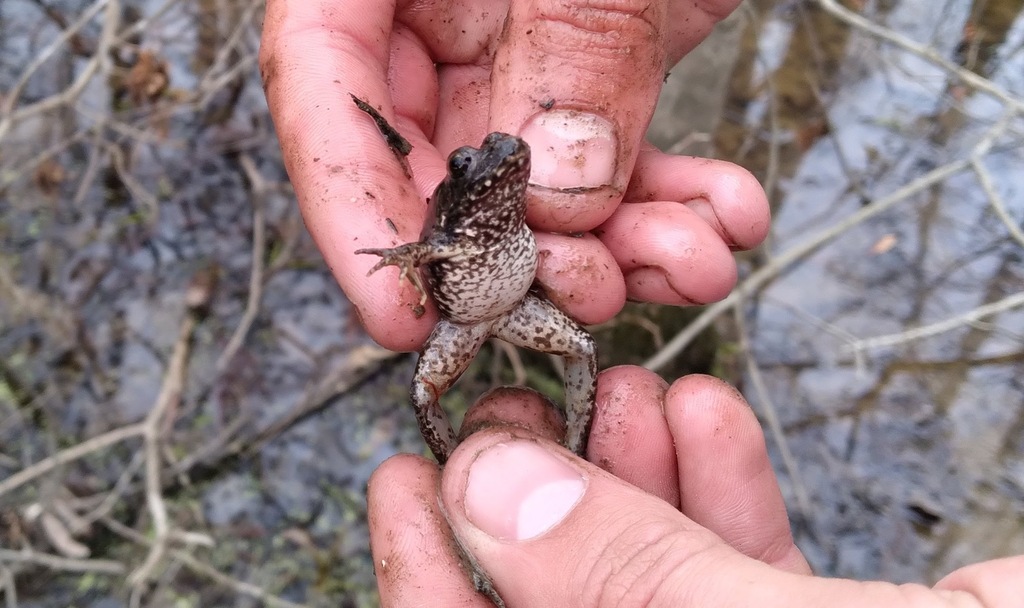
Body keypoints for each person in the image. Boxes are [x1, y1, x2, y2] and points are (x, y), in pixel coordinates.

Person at [259, 0, 1023, 605]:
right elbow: (426, 246)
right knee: (425, 385)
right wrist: (408, 251)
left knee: (584, 346)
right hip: (465, 311)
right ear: (460, 182)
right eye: (473, 162)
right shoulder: (457, 221)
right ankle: (455, 461)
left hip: (519, 297)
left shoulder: (521, 189)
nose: (494, 159)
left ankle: (582, 434)